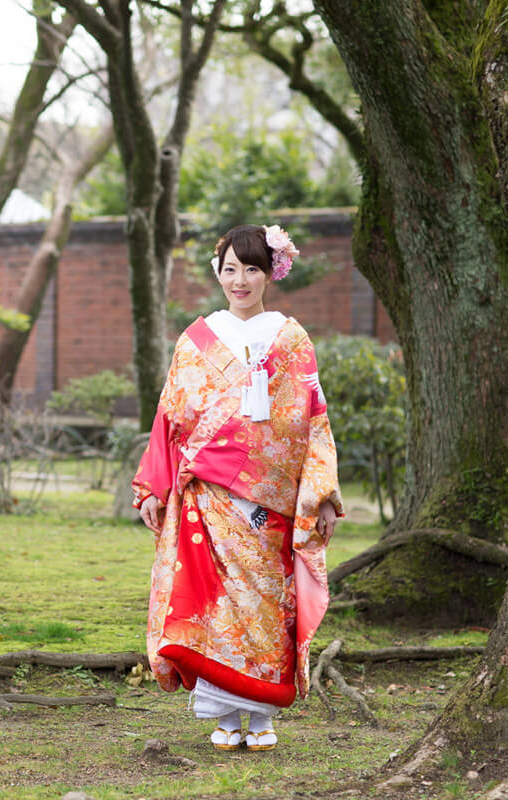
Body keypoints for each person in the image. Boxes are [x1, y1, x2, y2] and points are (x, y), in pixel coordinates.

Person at [132, 223, 341, 752]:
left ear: (271, 272)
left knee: (266, 602)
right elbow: (169, 416)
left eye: (251, 268)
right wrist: (154, 485)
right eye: (230, 269)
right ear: (217, 271)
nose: (240, 280)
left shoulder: (290, 338)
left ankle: (263, 713)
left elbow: (313, 418)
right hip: (209, 495)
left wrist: (319, 493)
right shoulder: (198, 338)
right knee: (213, 601)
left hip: (270, 497)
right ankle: (223, 714)